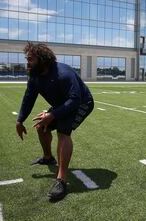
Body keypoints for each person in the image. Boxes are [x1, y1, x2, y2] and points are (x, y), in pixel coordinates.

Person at [16, 42, 94, 201]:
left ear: (42, 60)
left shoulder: (63, 73)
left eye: (30, 59)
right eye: (27, 59)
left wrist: (52, 114)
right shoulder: (34, 76)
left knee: (63, 132)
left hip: (81, 103)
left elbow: (75, 99)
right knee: (41, 126)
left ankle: (61, 180)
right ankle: (48, 157)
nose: (27, 63)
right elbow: (28, 98)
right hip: (62, 104)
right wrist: (20, 120)